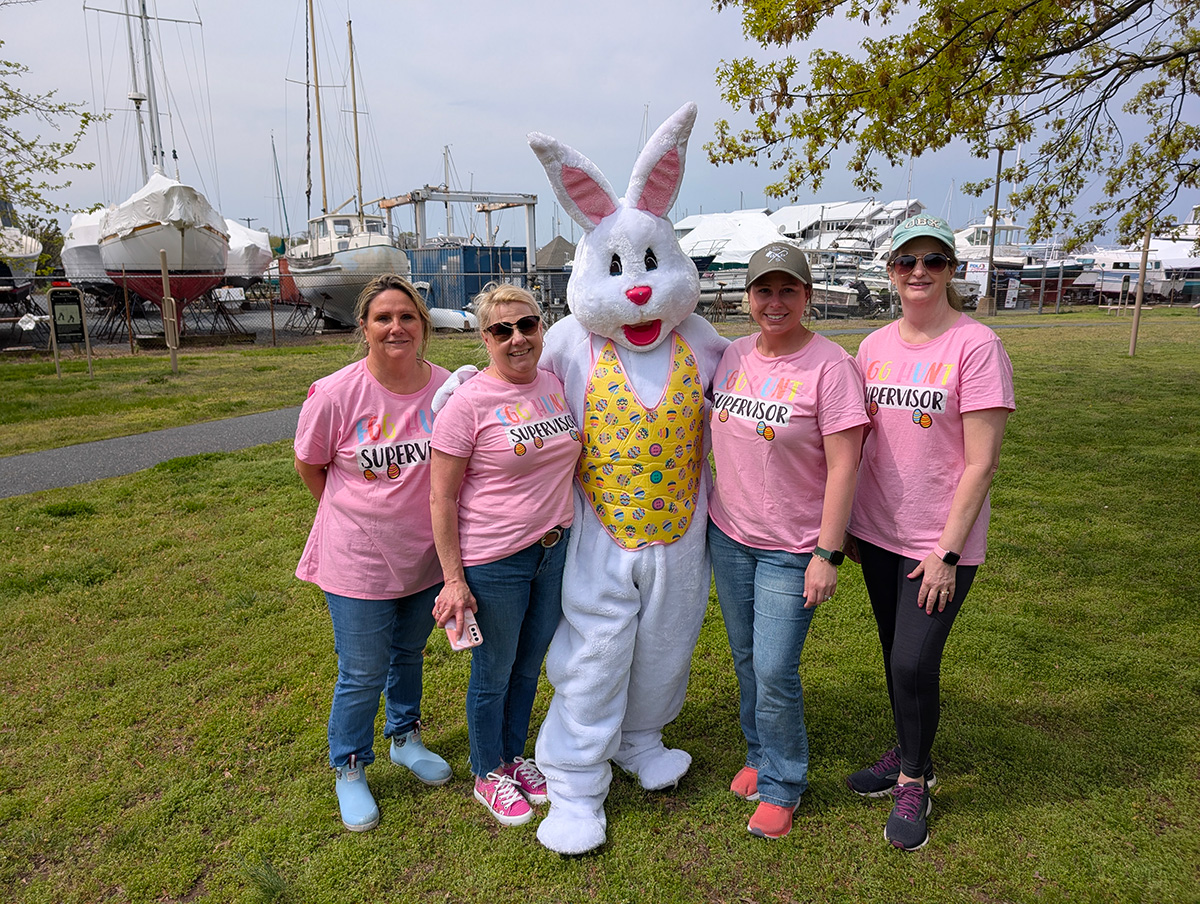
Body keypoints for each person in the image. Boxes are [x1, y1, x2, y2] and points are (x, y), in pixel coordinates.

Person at [845, 214, 1015, 851]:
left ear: (951, 270)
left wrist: (946, 551)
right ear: (890, 272)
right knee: (896, 656)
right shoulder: (874, 347)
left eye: (933, 261)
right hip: (879, 532)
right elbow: (860, 439)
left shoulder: (975, 346)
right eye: (906, 261)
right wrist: (852, 525)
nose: (919, 272)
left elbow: (982, 461)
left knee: (915, 660)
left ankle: (915, 776)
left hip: (939, 543)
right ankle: (907, 748)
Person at [707, 242, 868, 840]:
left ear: (807, 296)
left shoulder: (831, 366)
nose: (775, 303)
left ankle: (783, 783)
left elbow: (845, 465)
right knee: (747, 657)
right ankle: (758, 753)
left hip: (792, 545)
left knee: (776, 668)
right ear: (748, 298)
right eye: (764, 291)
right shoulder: (731, 356)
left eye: (788, 291)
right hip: (730, 535)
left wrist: (827, 552)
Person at [294, 274, 453, 833]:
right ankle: (350, 766)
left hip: (426, 556)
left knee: (409, 653)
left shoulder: (448, 389)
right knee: (362, 671)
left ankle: (405, 737)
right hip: (357, 560)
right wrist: (352, 515)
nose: (395, 327)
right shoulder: (336, 393)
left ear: (423, 326)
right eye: (383, 317)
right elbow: (311, 466)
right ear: (362, 327)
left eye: (406, 317)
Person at [430, 284, 581, 827]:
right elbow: (441, 496)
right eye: (502, 330)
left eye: (528, 325)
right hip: (495, 560)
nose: (518, 338)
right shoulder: (466, 404)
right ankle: (486, 770)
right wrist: (453, 579)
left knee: (527, 666)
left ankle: (514, 757)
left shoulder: (555, 385)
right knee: (493, 671)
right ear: (484, 338)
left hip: (553, 551)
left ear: (542, 327)